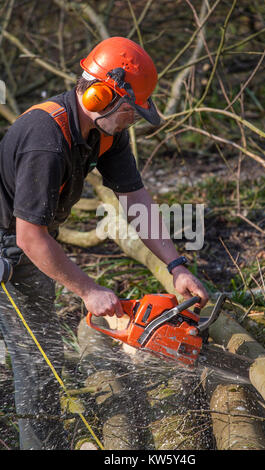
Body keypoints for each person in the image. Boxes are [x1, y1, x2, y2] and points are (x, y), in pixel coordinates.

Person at [0, 36, 209, 450]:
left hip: (27, 244)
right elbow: (29, 236)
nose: (134, 119)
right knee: (36, 360)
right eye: (131, 108)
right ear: (101, 94)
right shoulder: (46, 138)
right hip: (12, 245)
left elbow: (136, 200)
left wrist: (176, 266)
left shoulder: (107, 133)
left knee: (43, 356)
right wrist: (89, 289)